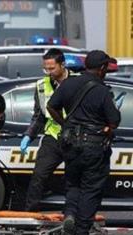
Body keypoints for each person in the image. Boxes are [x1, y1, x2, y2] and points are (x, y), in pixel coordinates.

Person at [46, 50, 121, 235]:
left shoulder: (68, 83)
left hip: (70, 144)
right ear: (103, 68)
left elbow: (50, 106)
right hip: (94, 146)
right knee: (91, 189)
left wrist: (65, 123)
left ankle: (69, 214)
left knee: (73, 184)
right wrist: (106, 127)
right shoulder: (102, 90)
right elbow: (114, 120)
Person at [21, 48, 76, 212]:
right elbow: (39, 116)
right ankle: (31, 214)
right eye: (46, 68)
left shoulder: (78, 82)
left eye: (52, 68)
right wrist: (28, 136)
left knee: (73, 178)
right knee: (39, 176)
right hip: (53, 137)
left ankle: (71, 214)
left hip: (75, 137)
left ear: (63, 64)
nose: (48, 72)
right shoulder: (41, 86)